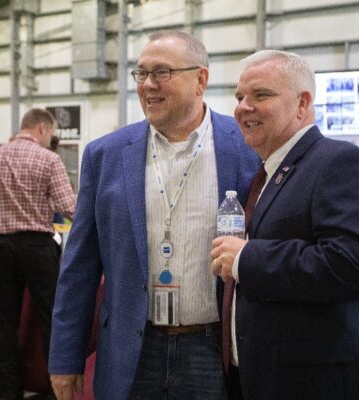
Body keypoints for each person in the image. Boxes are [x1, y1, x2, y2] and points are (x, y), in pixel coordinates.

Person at [48, 30, 259, 400]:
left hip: (213, 349)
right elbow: (78, 268)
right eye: (141, 73)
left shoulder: (246, 148)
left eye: (161, 72)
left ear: (201, 80)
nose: (147, 85)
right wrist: (65, 358)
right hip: (132, 349)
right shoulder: (105, 155)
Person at [211, 50, 359, 400]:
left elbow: (358, 266)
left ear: (302, 103)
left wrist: (246, 258)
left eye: (260, 95)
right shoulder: (265, 174)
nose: (243, 107)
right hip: (262, 376)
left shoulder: (339, 162)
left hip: (316, 383)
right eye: (239, 97)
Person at [0, 108, 75, 400]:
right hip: (38, 245)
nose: (50, 139)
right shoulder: (49, 159)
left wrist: (4, 220)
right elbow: (69, 207)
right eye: (52, 134)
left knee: (6, 319)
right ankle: (56, 389)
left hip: (3, 244)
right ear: (42, 128)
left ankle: (9, 389)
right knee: (51, 318)